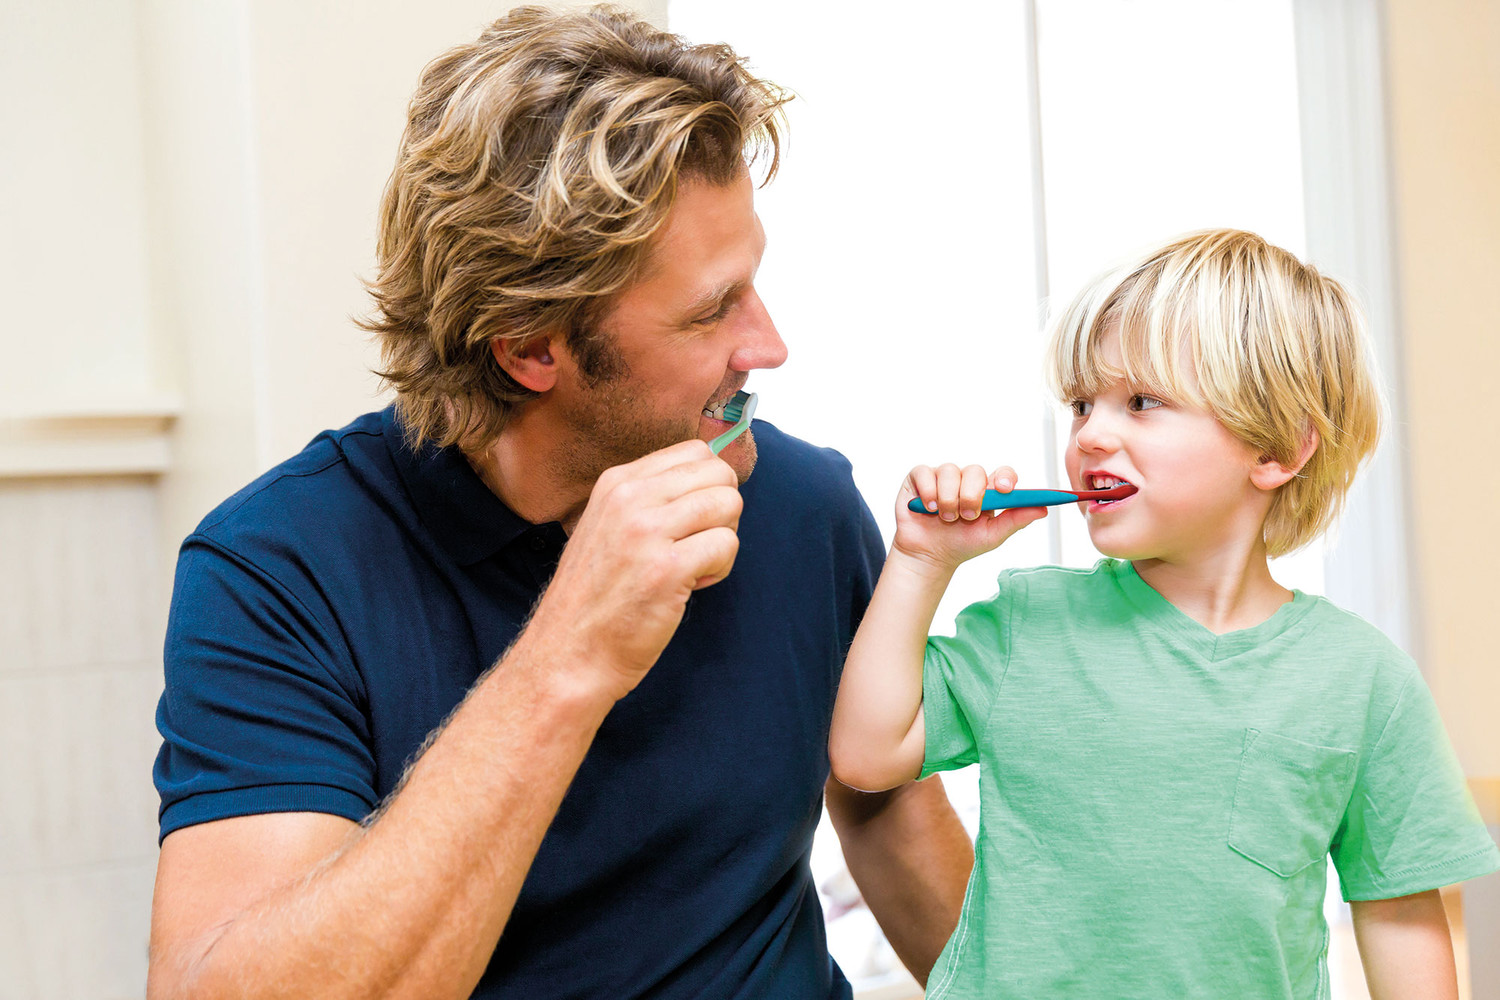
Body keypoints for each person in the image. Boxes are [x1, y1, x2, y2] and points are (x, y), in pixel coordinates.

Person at [147, 7, 973, 998]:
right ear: (531, 348)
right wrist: (569, 654)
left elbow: (889, 820)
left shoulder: (802, 505)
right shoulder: (281, 570)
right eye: (713, 309)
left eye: (752, 285)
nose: (769, 346)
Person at [829, 229, 1500, 998]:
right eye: (1081, 404)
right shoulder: (1030, 624)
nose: (1091, 434)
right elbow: (865, 755)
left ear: (1277, 450)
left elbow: (1400, 914)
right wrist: (922, 561)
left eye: (1142, 402)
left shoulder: (1362, 681)